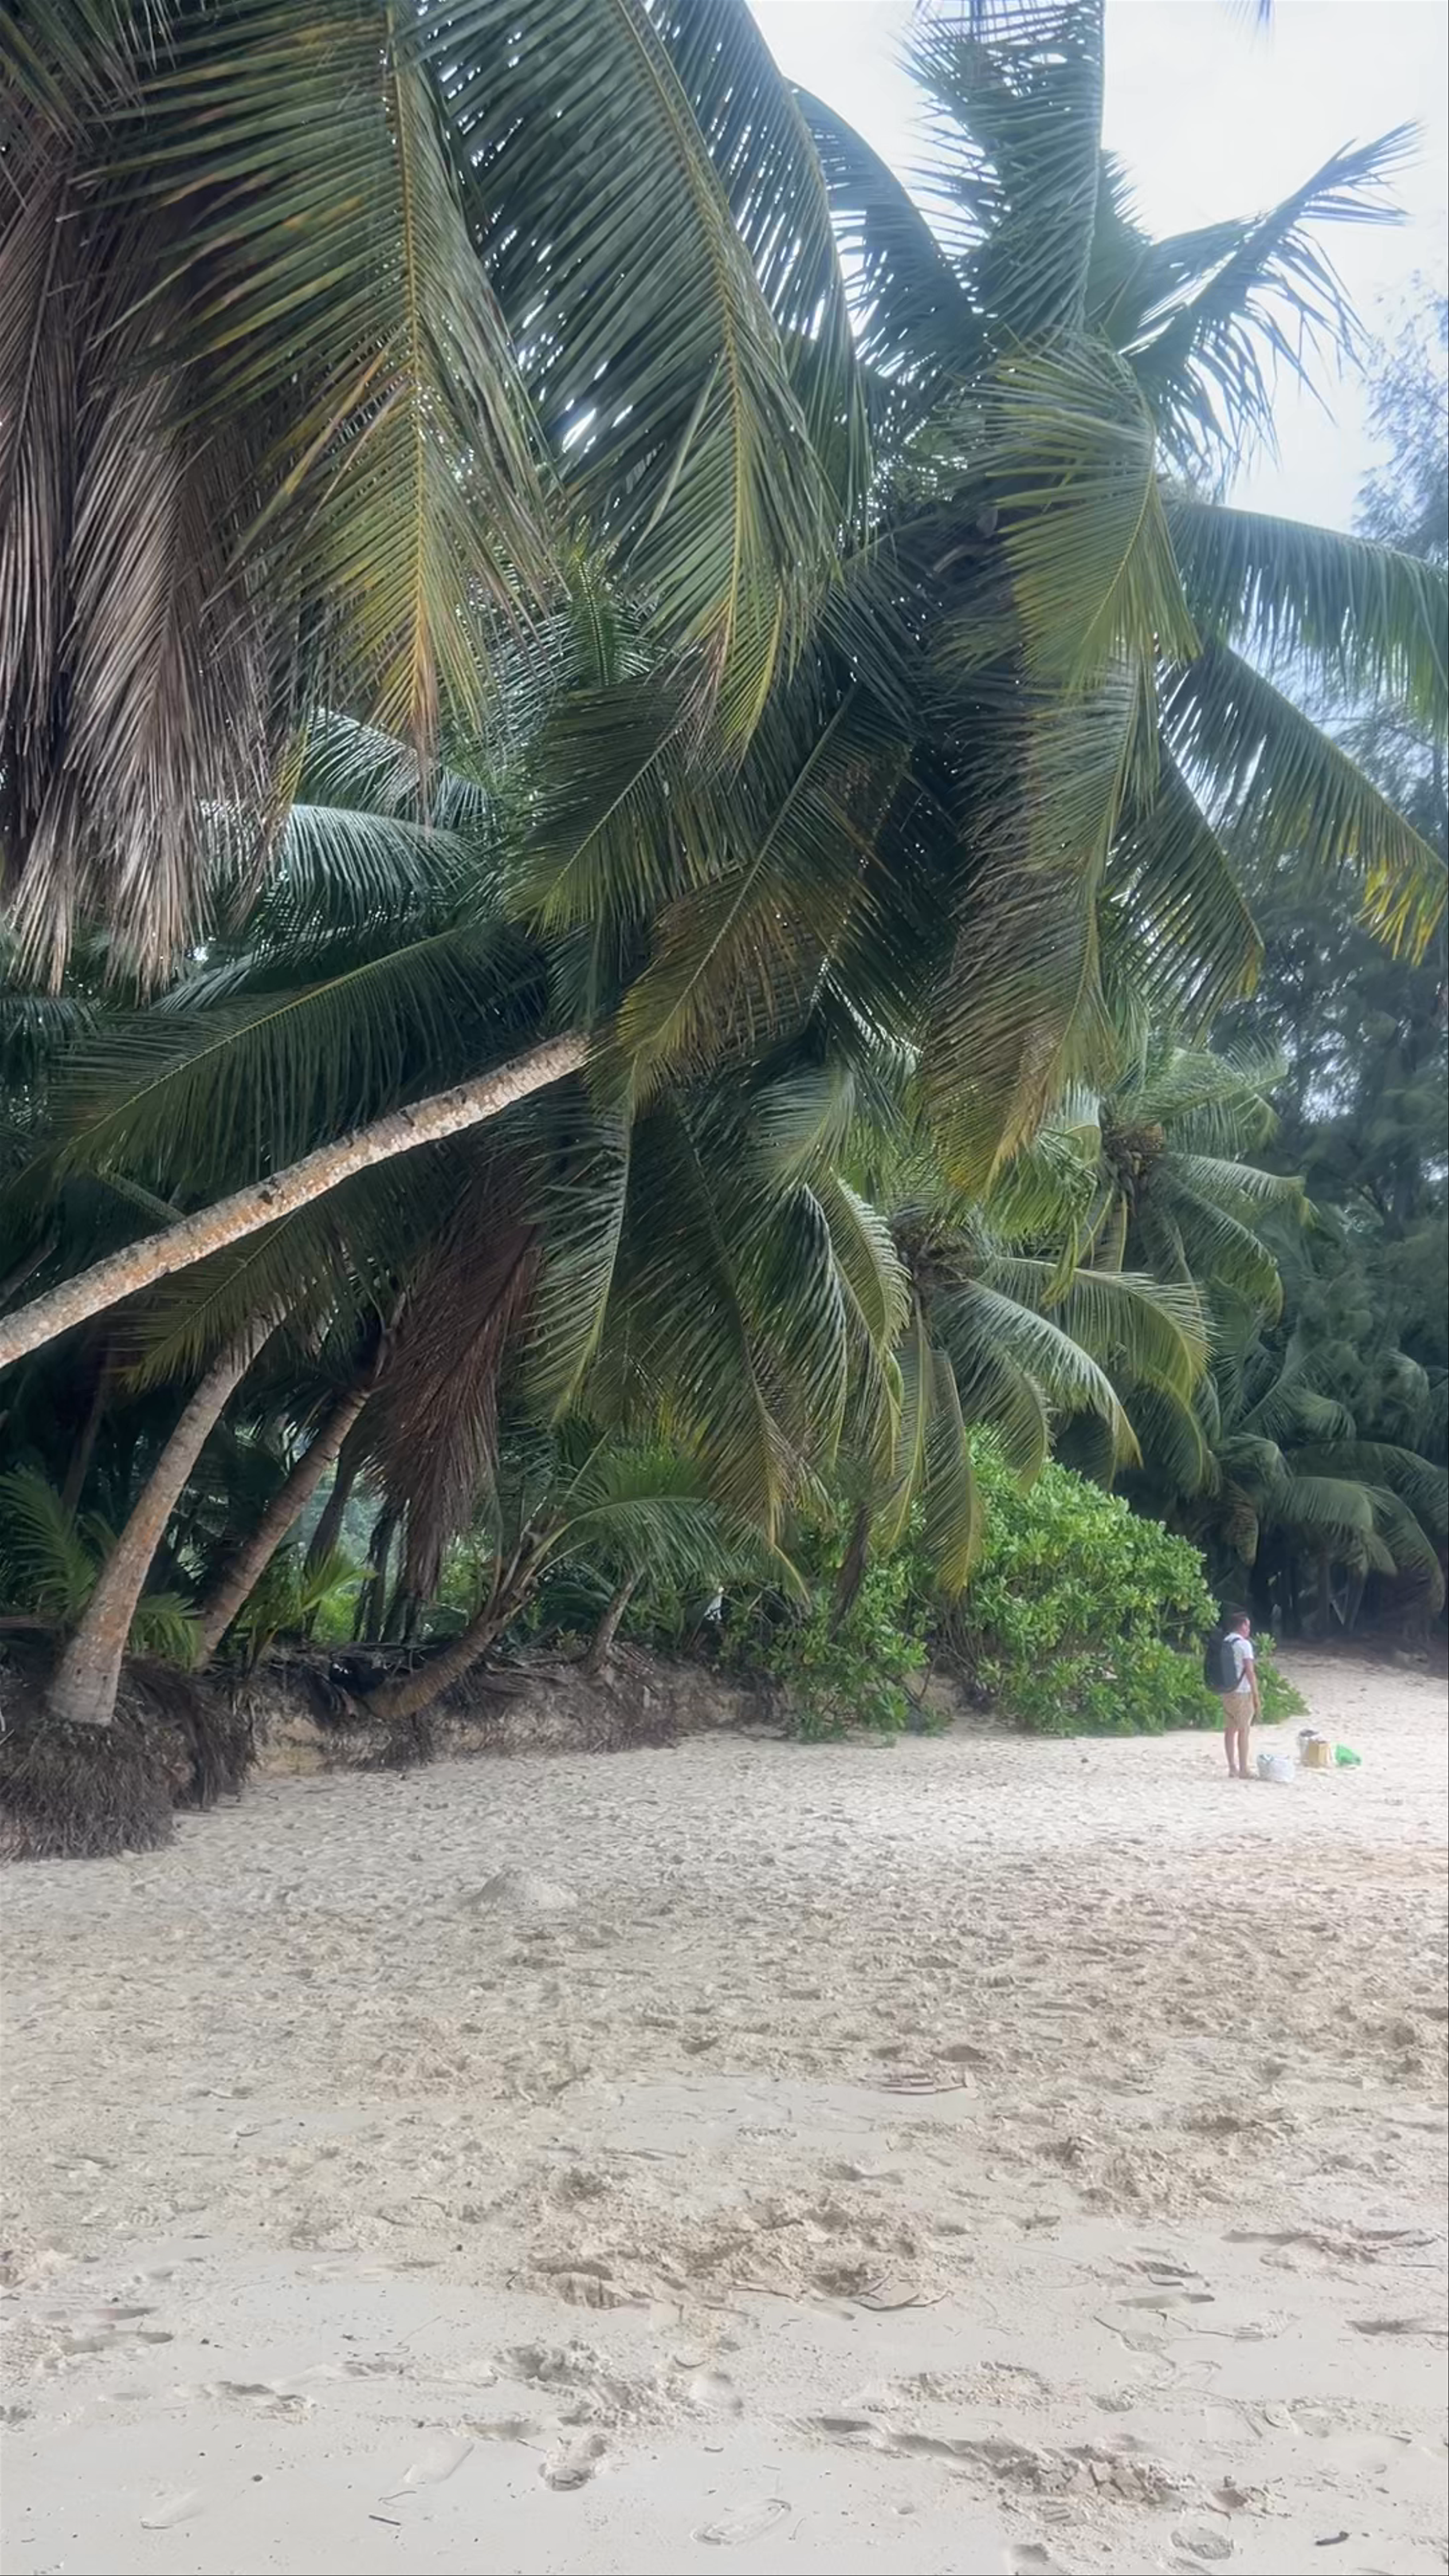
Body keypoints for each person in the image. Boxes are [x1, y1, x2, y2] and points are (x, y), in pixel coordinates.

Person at [1216, 1609, 1261, 1778]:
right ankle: (1244, 1769)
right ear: (1242, 1626)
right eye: (1248, 1625)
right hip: (1242, 1692)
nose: (1249, 1629)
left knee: (1230, 1730)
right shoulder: (1244, 1645)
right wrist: (1256, 1695)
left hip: (1227, 1691)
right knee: (1244, 1731)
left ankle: (1232, 1768)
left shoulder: (1225, 1642)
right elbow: (1250, 1671)